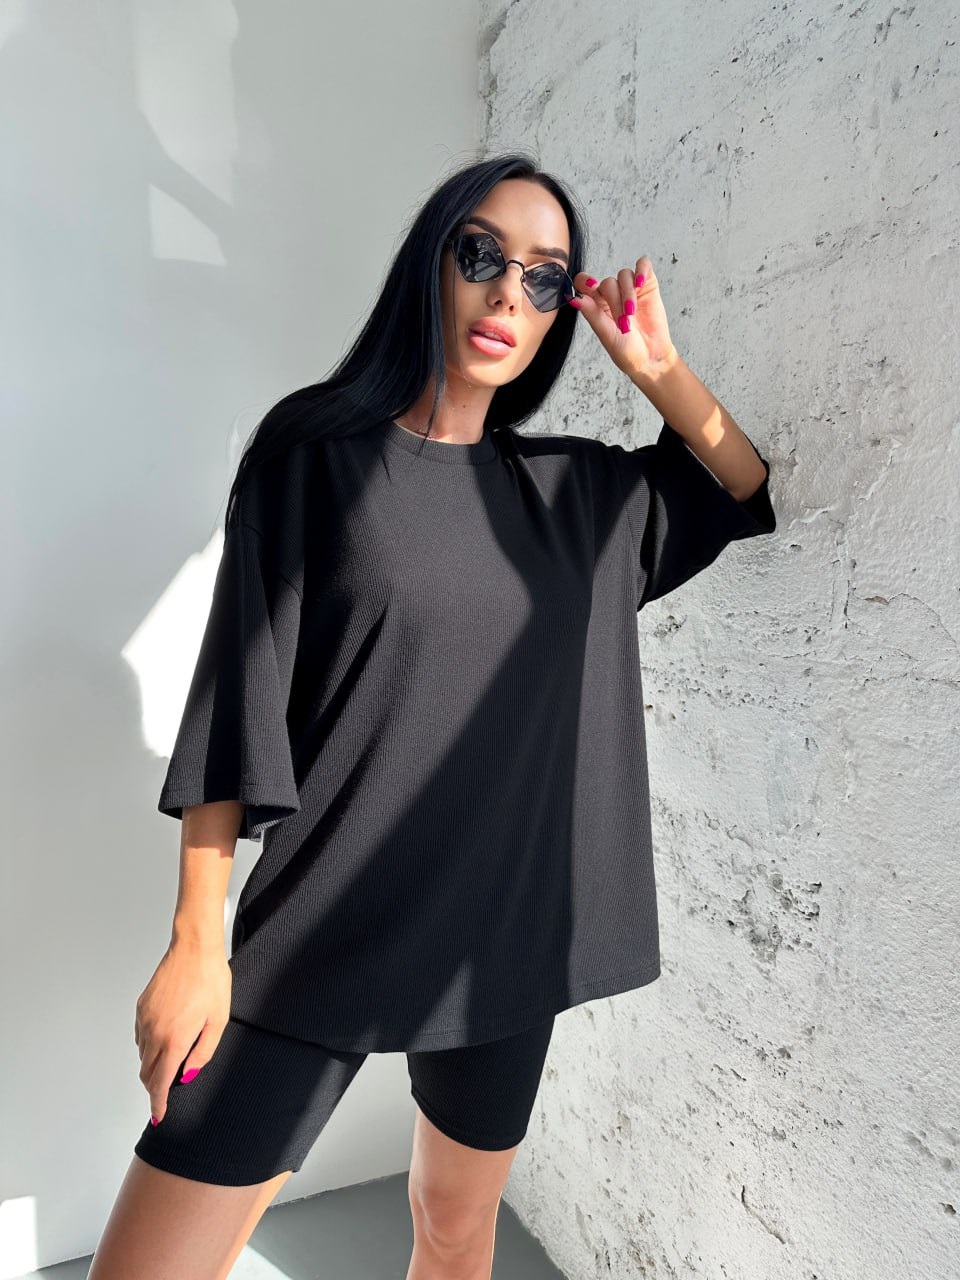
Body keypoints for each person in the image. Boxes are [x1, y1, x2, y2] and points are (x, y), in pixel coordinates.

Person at [88, 151, 776, 1280]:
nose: (510, 293)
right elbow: (236, 696)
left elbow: (738, 484)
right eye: (483, 254)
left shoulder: (577, 496)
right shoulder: (313, 456)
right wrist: (196, 942)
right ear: (433, 261)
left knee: (454, 1232)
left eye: (545, 278)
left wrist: (659, 369)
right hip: (320, 930)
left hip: (502, 940)